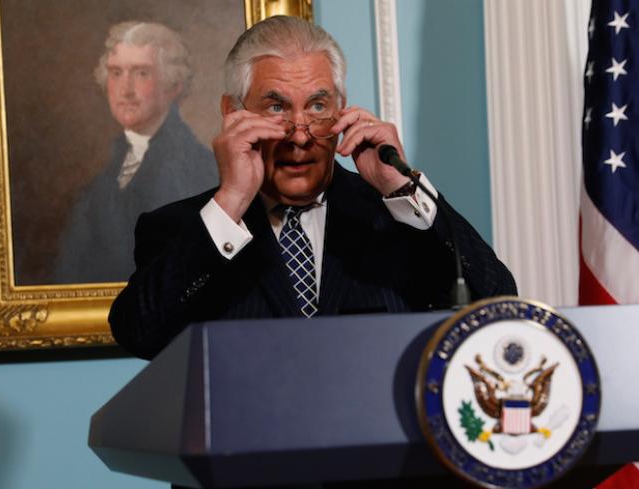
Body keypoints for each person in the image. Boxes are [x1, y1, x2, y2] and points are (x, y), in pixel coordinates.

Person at [109, 16, 516, 360]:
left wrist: (401, 189)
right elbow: (140, 334)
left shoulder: (394, 217)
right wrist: (231, 199)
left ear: (342, 109)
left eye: (318, 107)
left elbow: (498, 306)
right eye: (276, 107)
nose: (300, 137)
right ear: (233, 114)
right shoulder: (183, 229)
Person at [54, 21, 218, 284]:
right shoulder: (113, 167)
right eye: (116, 73)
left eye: (141, 73)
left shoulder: (197, 169)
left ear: (173, 85)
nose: (125, 90)